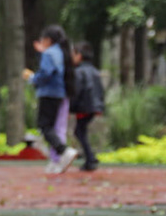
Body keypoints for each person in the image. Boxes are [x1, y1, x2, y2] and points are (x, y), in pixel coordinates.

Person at [25, 24, 79, 174]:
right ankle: (58, 156)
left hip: (48, 93)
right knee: (54, 127)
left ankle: (63, 151)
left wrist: (33, 78)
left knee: (45, 126)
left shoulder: (49, 53)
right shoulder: (61, 52)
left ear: (48, 40)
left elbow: (46, 73)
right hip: (59, 93)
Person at [69, 42, 106, 173]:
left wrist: (70, 107)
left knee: (79, 131)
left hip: (84, 106)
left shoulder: (79, 72)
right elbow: (101, 90)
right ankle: (90, 158)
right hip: (93, 106)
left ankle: (90, 159)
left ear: (79, 56)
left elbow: (76, 91)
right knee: (80, 131)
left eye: (73, 54)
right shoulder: (95, 71)